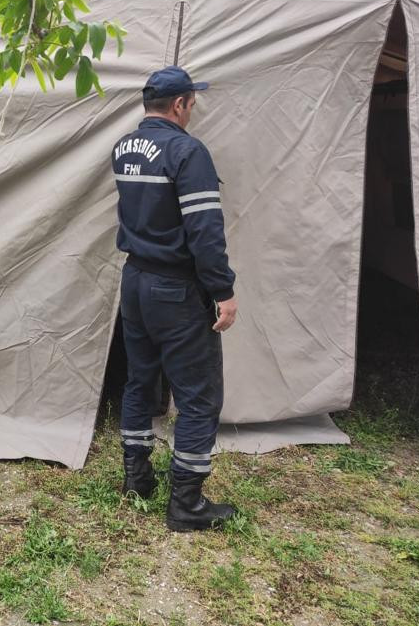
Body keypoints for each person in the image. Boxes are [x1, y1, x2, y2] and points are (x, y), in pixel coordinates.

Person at [111, 65, 238, 532]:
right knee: (199, 397)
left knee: (139, 382)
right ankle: (186, 503)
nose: (194, 108)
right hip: (176, 289)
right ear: (180, 104)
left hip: (135, 281)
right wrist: (222, 291)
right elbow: (204, 230)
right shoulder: (188, 151)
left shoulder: (123, 148)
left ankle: (137, 479)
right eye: (193, 101)